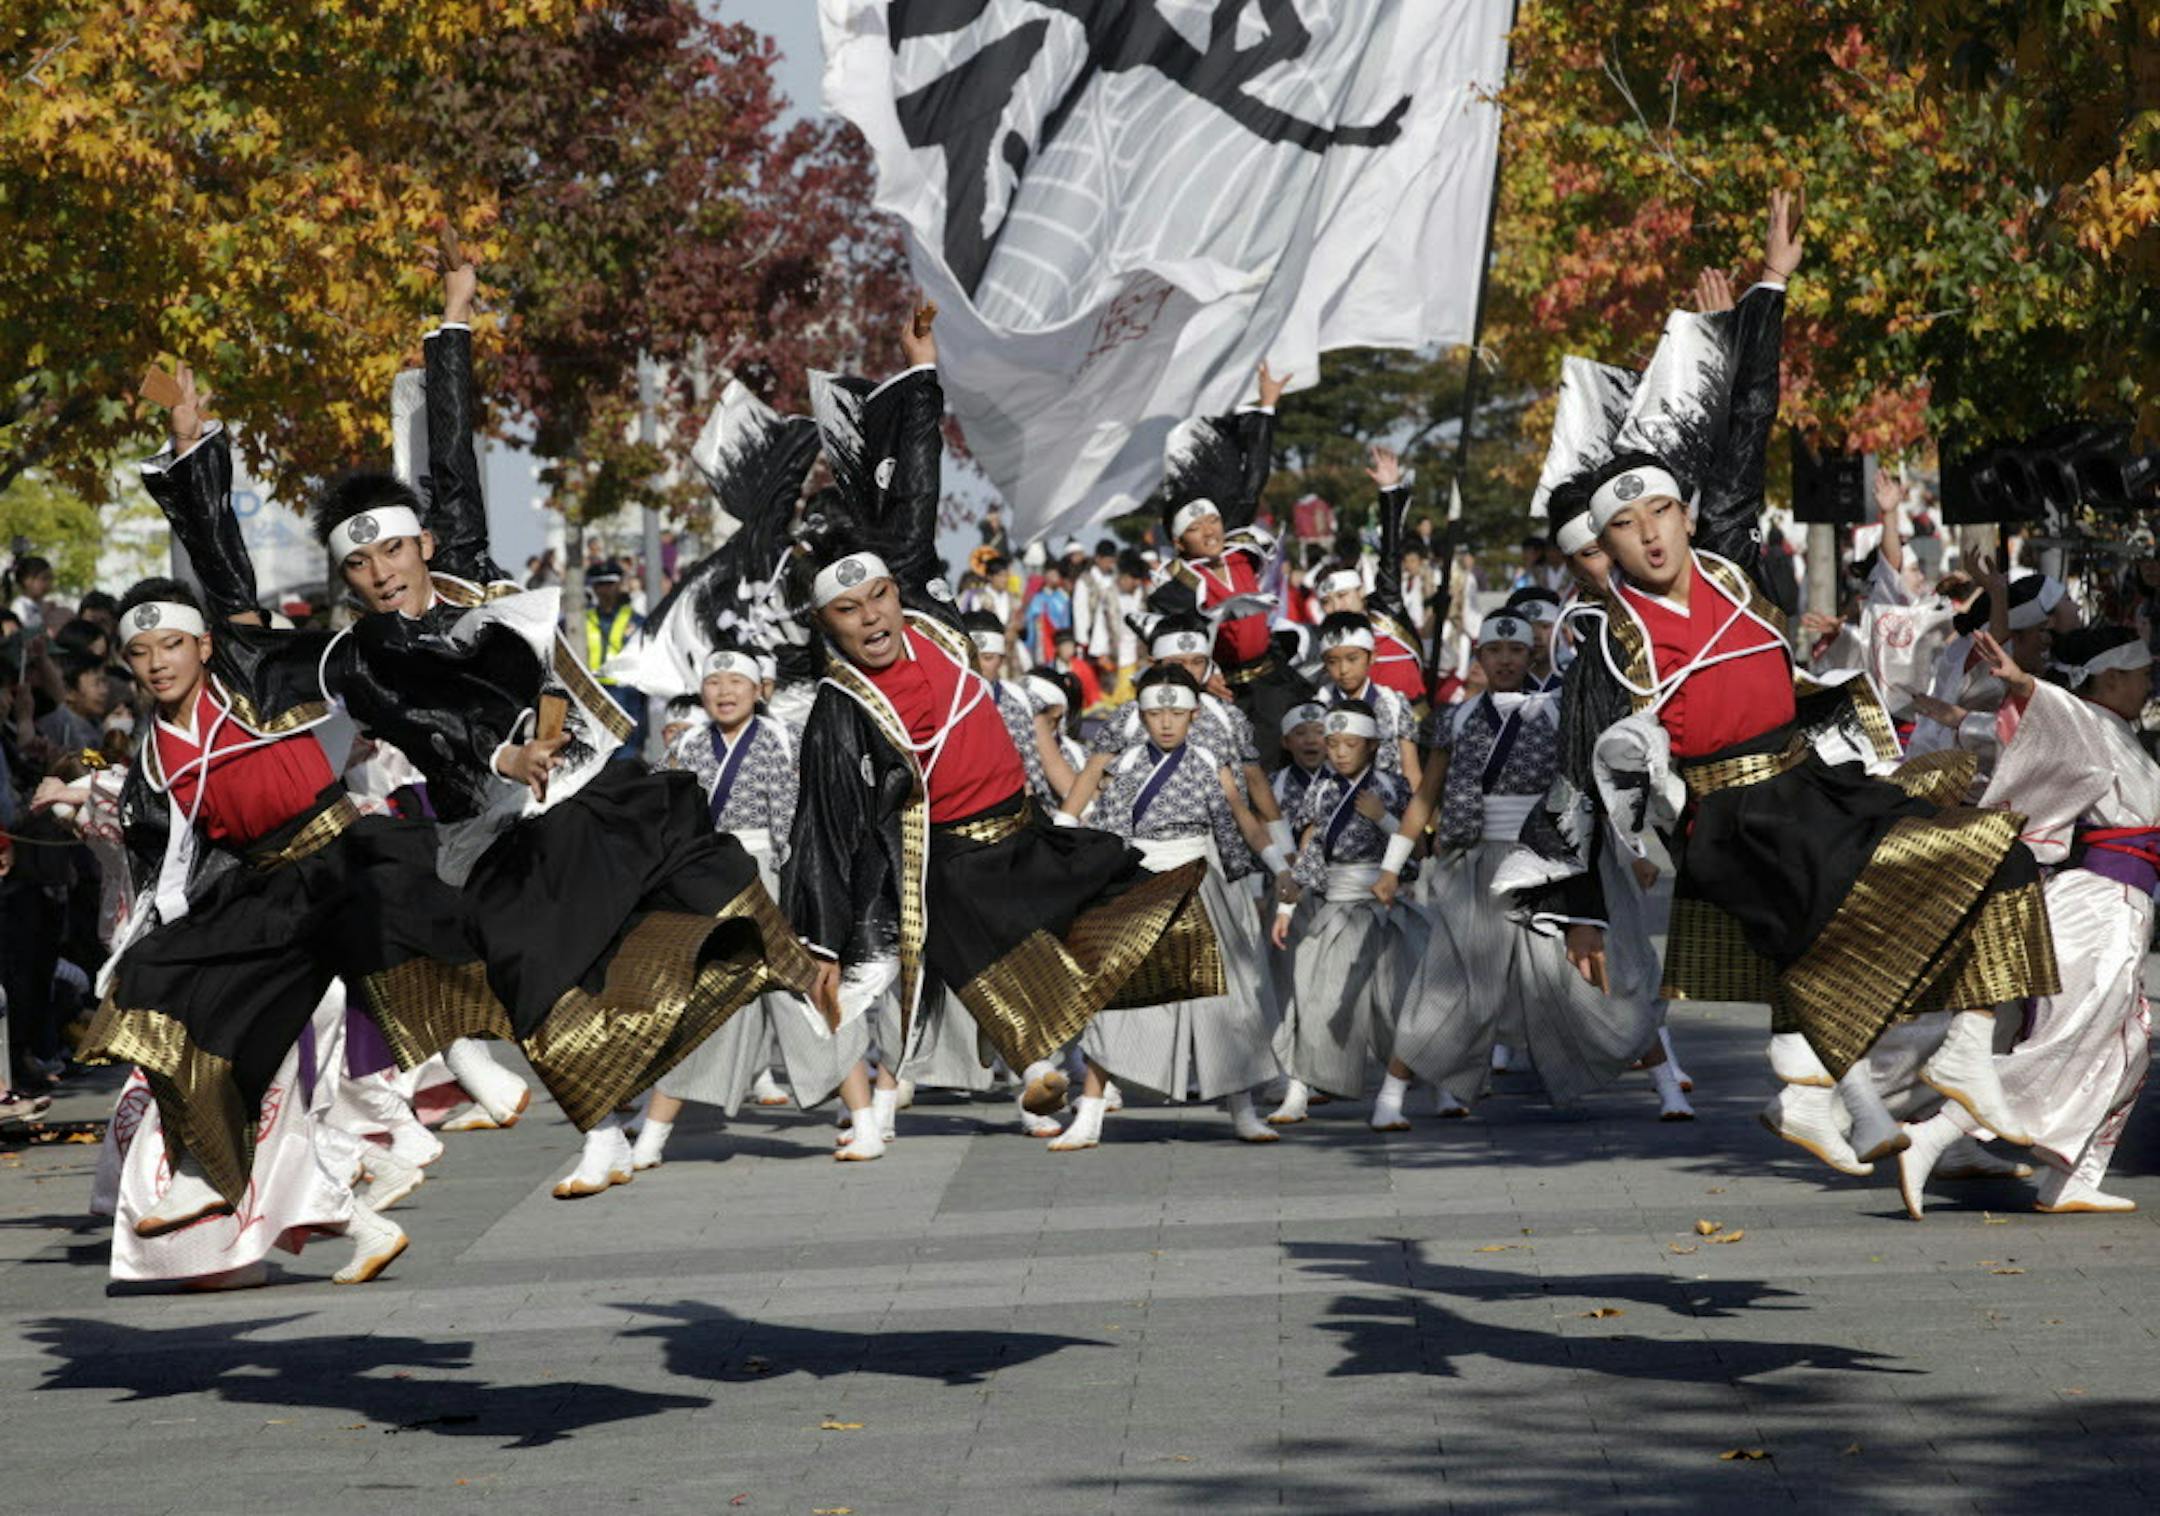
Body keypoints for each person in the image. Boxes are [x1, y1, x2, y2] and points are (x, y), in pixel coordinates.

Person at [145, 260, 818, 1198]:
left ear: (419, 543)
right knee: (527, 970)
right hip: (484, 835)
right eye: (360, 564)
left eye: (391, 547)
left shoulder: (465, 569)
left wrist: (453, 323)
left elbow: (450, 457)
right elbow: (244, 620)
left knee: (690, 886)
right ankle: (601, 1130)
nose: (380, 571)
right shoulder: (356, 659)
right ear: (348, 581)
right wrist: (194, 458)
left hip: (580, 791)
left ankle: (808, 970)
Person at [1504, 191, 2054, 1168]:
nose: (1649, 533)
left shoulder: (1723, 556)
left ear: (1682, 512)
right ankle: (1832, 1092)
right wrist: (1581, 905)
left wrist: (1767, 293)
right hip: (1727, 824)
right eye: (1623, 528)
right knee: (1844, 927)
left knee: (1997, 855)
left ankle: (1958, 1059)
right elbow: (1579, 780)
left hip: (1811, 784)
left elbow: (1745, 425)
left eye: (1662, 512)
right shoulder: (1606, 643)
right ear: (1604, 548)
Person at [782, 302, 1224, 1162]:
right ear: (827, 624)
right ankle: (1035, 1071)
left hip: (1024, 825)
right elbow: (824, 834)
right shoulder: (838, 713)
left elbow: (916, 489)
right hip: (950, 863)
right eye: (849, 610)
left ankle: (1073, 1062)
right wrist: (822, 940)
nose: (873, 617)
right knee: (993, 962)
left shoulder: (922, 601)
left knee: (1128, 900)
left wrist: (921, 372)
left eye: (876, 598)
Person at [67, 575, 472, 1262]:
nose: (159, 662)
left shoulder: (249, 683)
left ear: (205, 645)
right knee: (159, 986)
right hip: (267, 893)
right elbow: (169, 855)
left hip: (341, 858)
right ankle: (207, 1174)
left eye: (172, 645)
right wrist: (142, 939)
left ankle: (555, 1047)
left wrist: (190, 472)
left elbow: (218, 555)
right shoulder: (153, 749)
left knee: (482, 940)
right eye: (141, 652)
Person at [1897, 627, 2156, 1217]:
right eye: (2140, 674)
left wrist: (1968, 718)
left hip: (2110, 903)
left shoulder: (2104, 729)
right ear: (2111, 676)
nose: (2147, 685)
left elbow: (2014, 734)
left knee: (2129, 1042)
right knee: (2067, 1046)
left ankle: (2071, 1179)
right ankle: (1936, 1132)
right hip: (2098, 907)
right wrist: (2027, 686)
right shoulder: (2086, 717)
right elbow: (2050, 715)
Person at [1379, 612, 1671, 1122]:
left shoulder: (1558, 712)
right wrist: (1392, 866)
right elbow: (1427, 794)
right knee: (1450, 978)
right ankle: (1390, 1097)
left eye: (1515, 651)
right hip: (1481, 864)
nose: (1506, 659)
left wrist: (1635, 850)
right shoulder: (1458, 717)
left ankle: (1668, 1086)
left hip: (1546, 862)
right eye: (1495, 651)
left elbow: (1596, 790)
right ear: (1480, 658)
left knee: (1588, 979)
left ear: (1530, 655)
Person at [626, 646, 848, 1173]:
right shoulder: (687, 746)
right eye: (714, 683)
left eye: (736, 682)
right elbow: (658, 814)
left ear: (758, 690)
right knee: (697, 1008)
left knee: (803, 1001)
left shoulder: (779, 740)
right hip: (703, 885)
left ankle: (864, 1113)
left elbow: (792, 826)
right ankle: (652, 1135)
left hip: (763, 876)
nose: (724, 692)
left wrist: (797, 898)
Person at [1057, 665, 1286, 1150]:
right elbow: (1105, 828)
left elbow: (1242, 818)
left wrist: (1277, 865)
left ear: (1194, 714)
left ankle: (1242, 1108)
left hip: (1200, 882)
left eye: (1176, 712)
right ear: (1139, 714)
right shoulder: (1124, 764)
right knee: (1114, 1000)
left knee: (1226, 1002)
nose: (1165, 722)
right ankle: (1090, 1113)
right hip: (1141, 884)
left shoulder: (1209, 759)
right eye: (1155, 712)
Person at [1145, 362, 1314, 765]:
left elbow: (1254, 477)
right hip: (1223, 691)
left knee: (1302, 758)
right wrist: (1202, 677)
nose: (1210, 530)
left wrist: (1267, 407)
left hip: (1273, 680)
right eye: (1196, 527)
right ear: (1178, 540)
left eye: (1213, 520)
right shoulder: (1176, 583)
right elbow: (1174, 641)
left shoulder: (1239, 548)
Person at [1267, 702, 1422, 1125]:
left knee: (1396, 1005)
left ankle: (1394, 1098)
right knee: (1315, 1000)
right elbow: (1312, 853)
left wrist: (1385, 819)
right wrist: (1287, 904)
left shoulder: (1392, 787)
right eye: (1332, 743)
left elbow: (1417, 853)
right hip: (1334, 906)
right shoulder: (1320, 790)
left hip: (1382, 906)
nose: (1337, 752)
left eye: (1349, 744)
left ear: (1371, 746)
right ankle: (1298, 1090)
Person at [1311, 446, 1431, 705]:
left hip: (1414, 725)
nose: (1336, 606)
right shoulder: (1327, 641)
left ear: (1361, 592)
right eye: (1327, 601)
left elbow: (1390, 554)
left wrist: (1388, 493)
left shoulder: (1386, 609)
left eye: (1342, 595)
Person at [1313, 612, 1421, 785]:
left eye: (1352, 659)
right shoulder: (1318, 707)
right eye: (1333, 661)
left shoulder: (1394, 703)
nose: (1343, 669)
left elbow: (1411, 771)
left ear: (1372, 656)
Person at [585, 560, 647, 756]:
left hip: (625, 695)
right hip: (591, 694)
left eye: (609, 584)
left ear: (619, 584)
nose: (605, 590)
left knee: (625, 761)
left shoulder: (637, 621)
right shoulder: (580, 620)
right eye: (599, 585)